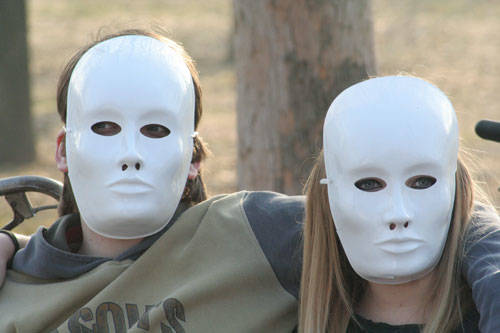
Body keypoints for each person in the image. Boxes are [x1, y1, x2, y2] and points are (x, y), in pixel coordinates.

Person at [0, 32, 499, 332]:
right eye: (104, 128)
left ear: (193, 155)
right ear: (63, 149)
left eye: (155, 130)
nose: (130, 155)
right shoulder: (16, 280)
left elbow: (402, 192)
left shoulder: (251, 234)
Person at [299, 76, 500, 332]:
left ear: (455, 186)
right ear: (328, 192)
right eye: (370, 184)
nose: (398, 214)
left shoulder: (487, 313)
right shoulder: (281, 314)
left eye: (421, 182)